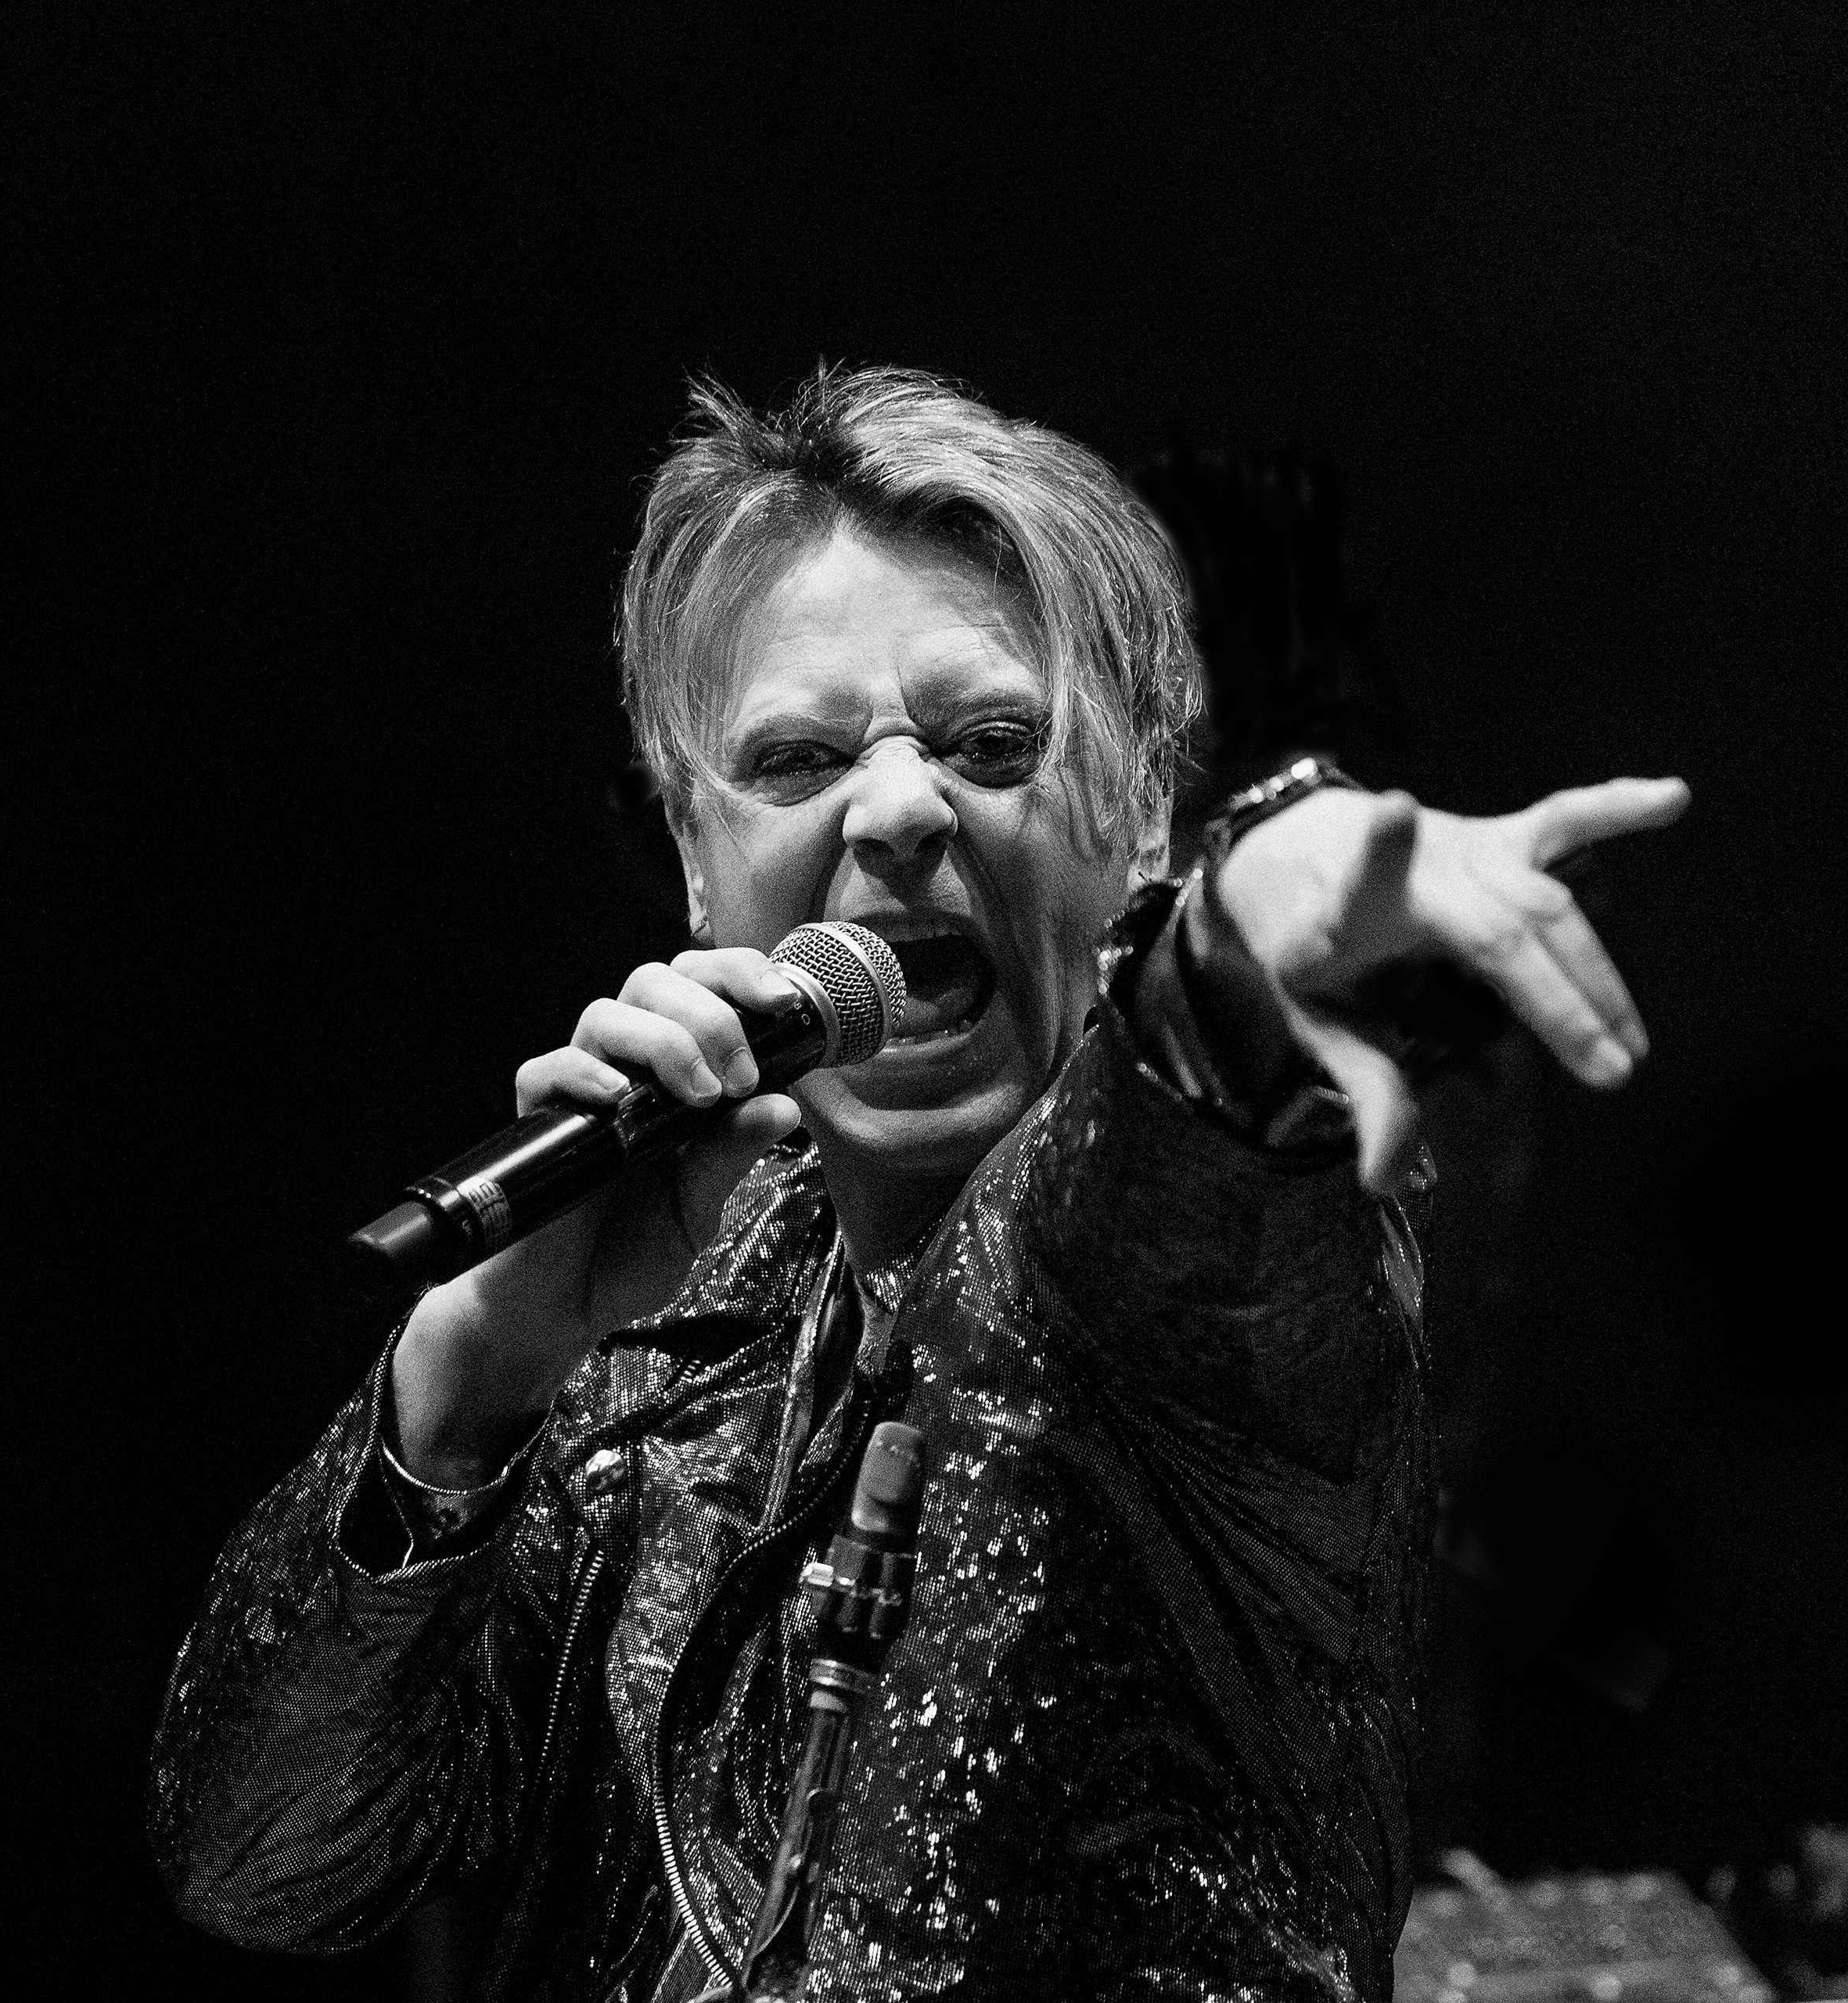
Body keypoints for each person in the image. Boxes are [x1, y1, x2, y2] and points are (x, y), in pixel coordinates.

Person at [149, 365, 1688, 2001]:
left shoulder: (1190, 1251)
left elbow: (1171, 1147)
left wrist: (1251, 923)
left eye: (992, 741)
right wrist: (468, 1375)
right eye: (796, 759)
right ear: (696, 861)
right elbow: (269, 1863)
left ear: (1141, 817)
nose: (895, 806)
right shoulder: (668, 1318)